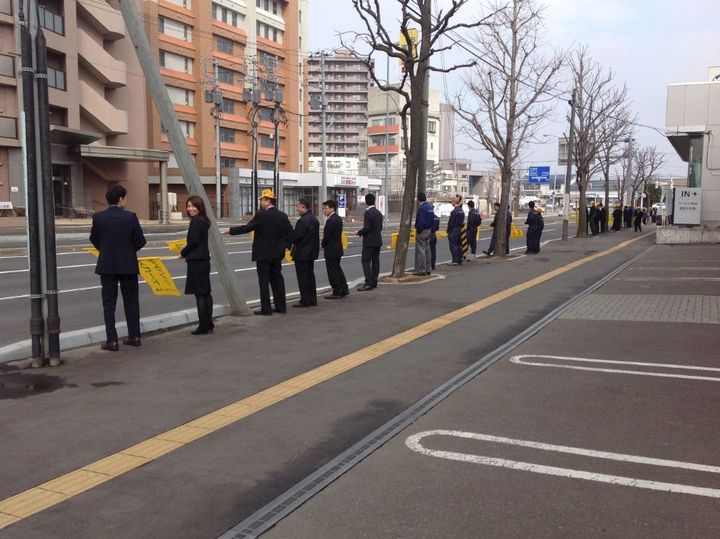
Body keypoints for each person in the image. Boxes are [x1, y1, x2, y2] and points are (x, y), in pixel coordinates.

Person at [89, 184, 147, 351]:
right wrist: (129, 251)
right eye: (125, 198)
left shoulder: (98, 217)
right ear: (121, 199)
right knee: (131, 302)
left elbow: (93, 238)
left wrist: (105, 250)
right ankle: (135, 336)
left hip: (107, 265)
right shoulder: (130, 217)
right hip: (128, 265)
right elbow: (141, 241)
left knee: (109, 303)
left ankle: (112, 340)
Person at [222, 189, 292, 315]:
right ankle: (281, 307)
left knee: (264, 281)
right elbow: (290, 233)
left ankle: (266, 309)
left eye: (262, 200)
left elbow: (248, 228)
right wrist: (286, 246)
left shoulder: (262, 215)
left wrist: (231, 230)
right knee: (277, 279)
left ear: (268, 201)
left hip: (263, 253)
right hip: (277, 254)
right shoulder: (283, 215)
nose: (260, 202)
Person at [180, 196, 214, 335]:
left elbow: (193, 242)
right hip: (204, 260)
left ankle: (203, 326)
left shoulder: (196, 222)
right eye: (188, 206)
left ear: (200, 207)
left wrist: (183, 252)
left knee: (200, 294)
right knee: (205, 292)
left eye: (193, 206)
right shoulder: (204, 221)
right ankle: (208, 323)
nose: (190, 209)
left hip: (196, 261)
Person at [290, 198, 319, 308]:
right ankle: (312, 299)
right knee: (310, 276)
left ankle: (304, 300)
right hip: (311, 253)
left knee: (302, 278)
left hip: (302, 253)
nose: (297, 208)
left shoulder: (303, 221)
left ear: (303, 207)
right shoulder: (314, 219)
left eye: (298, 206)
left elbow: (297, 237)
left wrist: (289, 237)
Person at [321, 200, 349, 299]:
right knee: (337, 269)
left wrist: (322, 244)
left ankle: (336, 291)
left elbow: (327, 236)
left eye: (326, 208)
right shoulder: (338, 218)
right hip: (337, 248)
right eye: (323, 209)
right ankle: (344, 289)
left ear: (332, 208)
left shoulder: (331, 220)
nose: (324, 210)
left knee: (332, 271)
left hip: (331, 249)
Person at [357, 193, 383, 291]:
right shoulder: (378, 213)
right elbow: (379, 228)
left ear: (366, 202)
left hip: (369, 242)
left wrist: (359, 232)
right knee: (376, 261)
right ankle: (374, 281)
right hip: (377, 240)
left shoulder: (368, 213)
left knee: (366, 261)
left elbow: (367, 228)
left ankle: (368, 282)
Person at [413, 192, 434, 276]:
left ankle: (422, 269)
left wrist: (418, 229)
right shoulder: (430, 207)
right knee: (427, 250)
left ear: (418, 199)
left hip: (422, 231)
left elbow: (421, 220)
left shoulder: (422, 208)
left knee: (421, 250)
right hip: (429, 230)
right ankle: (428, 268)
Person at [446, 195, 464, 265]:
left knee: (453, 245)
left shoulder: (454, 212)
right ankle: (460, 259)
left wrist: (448, 230)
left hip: (454, 230)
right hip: (459, 229)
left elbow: (451, 223)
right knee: (459, 245)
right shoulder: (461, 211)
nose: (451, 203)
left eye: (452, 201)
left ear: (455, 202)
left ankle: (455, 260)